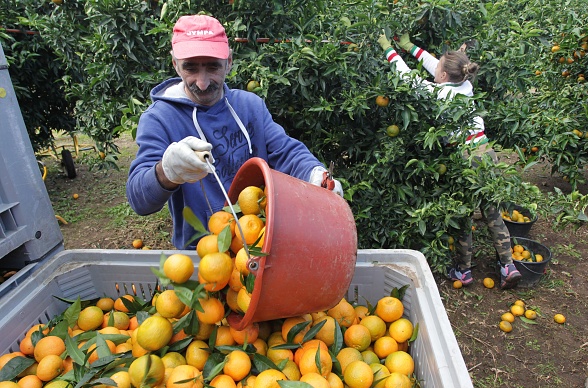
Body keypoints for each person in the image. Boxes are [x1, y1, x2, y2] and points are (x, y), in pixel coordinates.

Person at [126, 14, 342, 250]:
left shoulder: (249, 106)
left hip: (260, 242)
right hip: (204, 255)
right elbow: (139, 200)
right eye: (190, 67)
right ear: (175, 64)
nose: (202, 82)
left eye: (213, 67)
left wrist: (315, 175)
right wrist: (166, 172)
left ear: (229, 62)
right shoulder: (159, 119)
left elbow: (286, 152)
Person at [377, 32, 521, 289]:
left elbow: (407, 77)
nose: (435, 69)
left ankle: (463, 271)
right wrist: (410, 46)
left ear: (444, 76)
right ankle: (508, 265)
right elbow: (437, 65)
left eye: (439, 68)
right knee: (491, 211)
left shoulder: (437, 94)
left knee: (463, 215)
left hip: (463, 159)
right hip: (486, 152)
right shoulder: (465, 84)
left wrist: (389, 49)